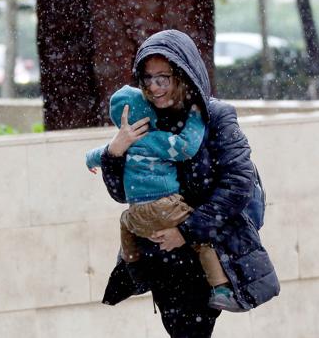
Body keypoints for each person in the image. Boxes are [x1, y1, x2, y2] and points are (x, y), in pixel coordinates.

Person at [99, 29, 280, 338]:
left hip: (206, 251)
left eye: (163, 77)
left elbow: (237, 184)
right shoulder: (145, 122)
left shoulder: (216, 117)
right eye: (147, 79)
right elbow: (121, 194)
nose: (154, 88)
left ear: (182, 75)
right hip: (162, 257)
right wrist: (114, 152)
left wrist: (185, 231)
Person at [86, 85, 241, 311]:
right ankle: (221, 288)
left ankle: (132, 265)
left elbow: (95, 155)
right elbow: (187, 146)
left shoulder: (121, 145)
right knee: (201, 242)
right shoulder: (156, 139)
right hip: (166, 206)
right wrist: (196, 116)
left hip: (136, 213)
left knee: (124, 224)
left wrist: (90, 162)